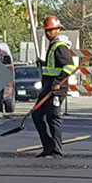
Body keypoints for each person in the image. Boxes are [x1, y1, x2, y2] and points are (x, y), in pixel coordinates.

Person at [34, 15, 76, 158]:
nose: (48, 33)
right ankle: (48, 147)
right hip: (47, 88)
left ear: (58, 30)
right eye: (46, 30)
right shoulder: (52, 46)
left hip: (56, 90)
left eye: (51, 30)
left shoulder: (60, 47)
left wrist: (58, 82)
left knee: (53, 117)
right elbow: (53, 67)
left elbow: (69, 67)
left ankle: (56, 150)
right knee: (37, 114)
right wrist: (43, 63)